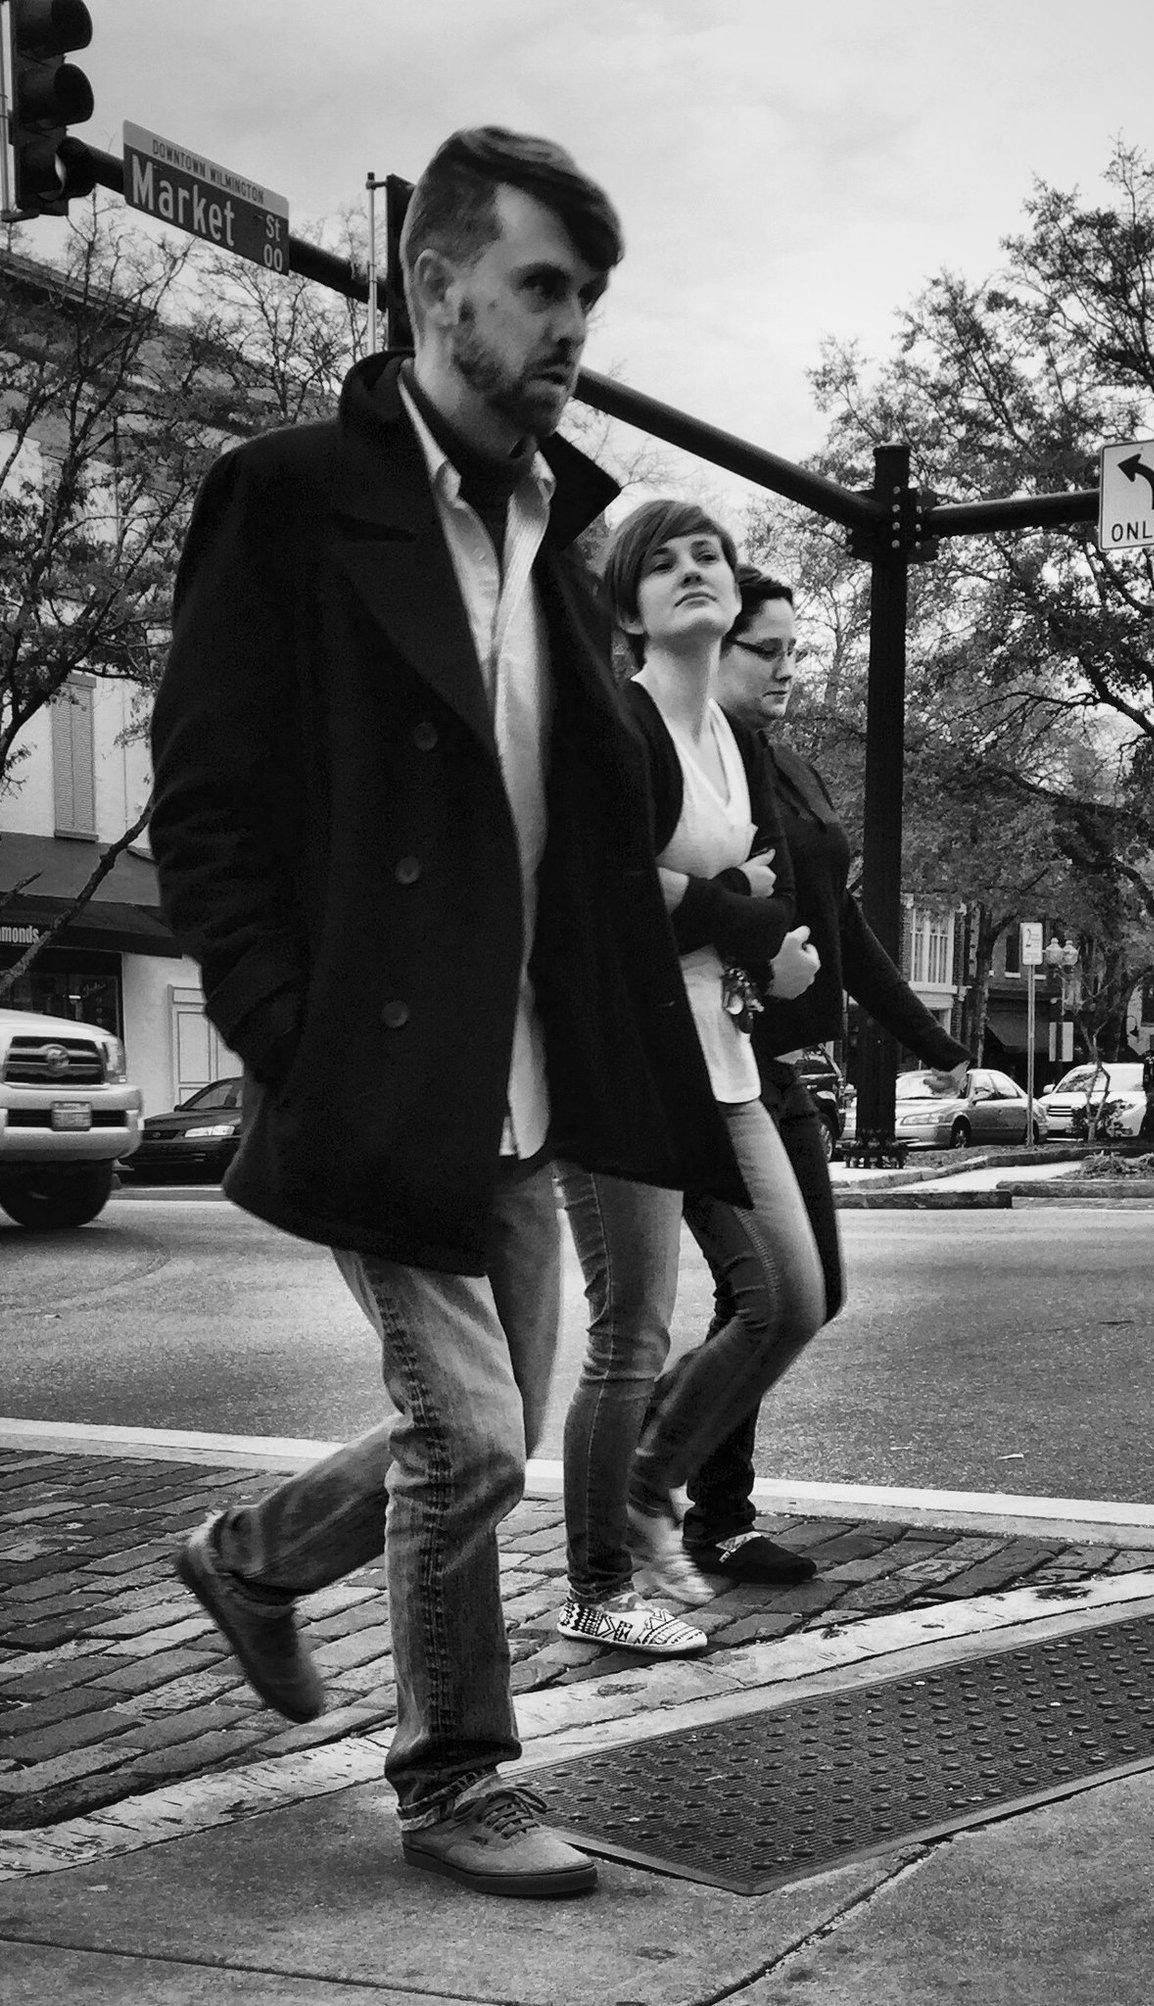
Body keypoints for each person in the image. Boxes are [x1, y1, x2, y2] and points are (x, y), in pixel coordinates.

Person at [149, 128, 747, 1904]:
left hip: (531, 1076)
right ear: (434, 283)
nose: (572, 326)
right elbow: (211, 802)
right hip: (383, 1068)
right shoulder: (290, 493)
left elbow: (600, 817)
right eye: (544, 286)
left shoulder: (558, 533)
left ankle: (255, 1562)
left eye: (591, 296)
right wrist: (287, 1029)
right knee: (477, 1438)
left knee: (479, 1437)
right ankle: (457, 1775)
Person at [658, 565, 972, 1586]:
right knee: (763, 1296)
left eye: (799, 650)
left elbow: (844, 928)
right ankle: (673, 1487)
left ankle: (690, 1491)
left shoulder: (788, 767)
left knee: (807, 1292)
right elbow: (652, 895)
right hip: (700, 1055)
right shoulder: (689, 762)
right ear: (714, 647)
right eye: (769, 650)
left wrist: (932, 1041)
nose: (789, 667)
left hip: (780, 1063)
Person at [553, 501, 827, 1658]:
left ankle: (650, 1480)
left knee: (792, 1295)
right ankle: (597, 1582)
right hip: (624, 1069)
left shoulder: (727, 736)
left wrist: (750, 928)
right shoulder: (622, 725)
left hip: (721, 1061)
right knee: (631, 1332)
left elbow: (712, 893)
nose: (691, 573)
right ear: (628, 608)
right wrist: (751, 914)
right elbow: (604, 895)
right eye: (658, 565)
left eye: (706, 555)